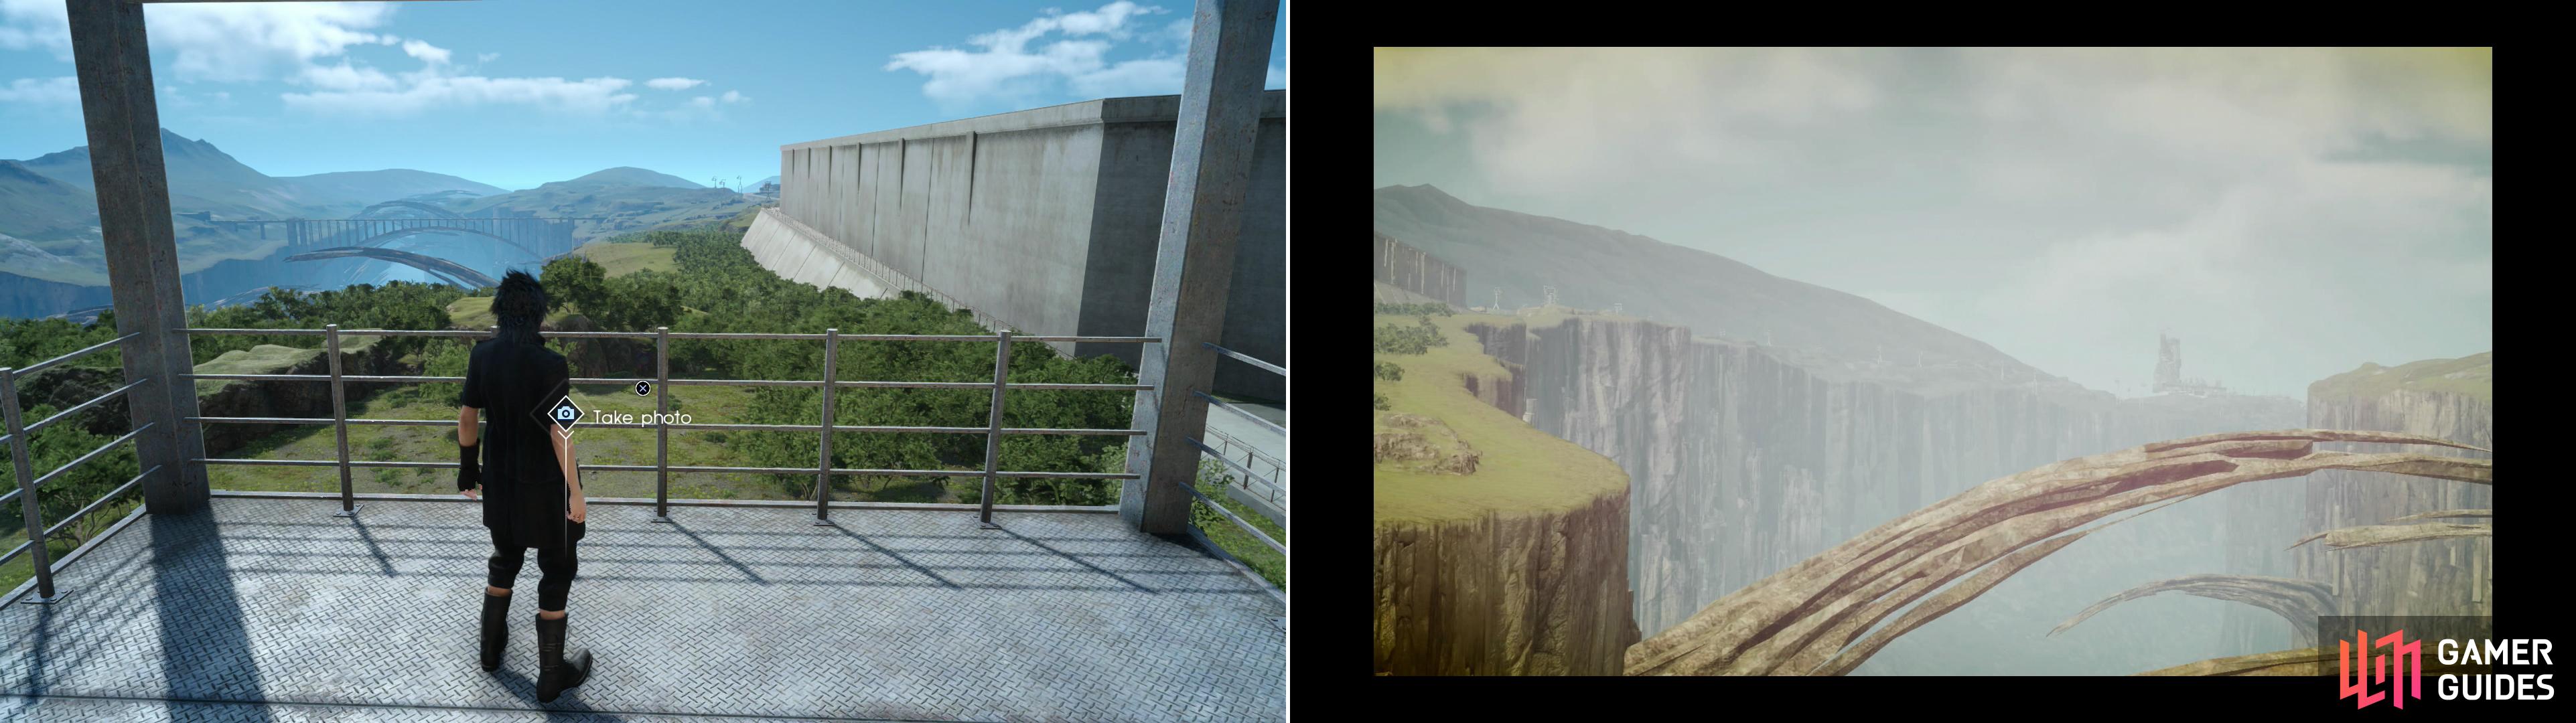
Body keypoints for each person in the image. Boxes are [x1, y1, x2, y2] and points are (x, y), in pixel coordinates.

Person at [456, 270, 595, 702]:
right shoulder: (551, 364)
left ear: (499, 311)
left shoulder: (482, 355)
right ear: (539, 316)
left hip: (498, 475)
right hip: (545, 484)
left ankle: (489, 652)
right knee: (557, 570)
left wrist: (467, 468)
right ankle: (552, 678)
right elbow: (561, 431)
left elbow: (467, 416)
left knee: (505, 558)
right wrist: (575, 490)